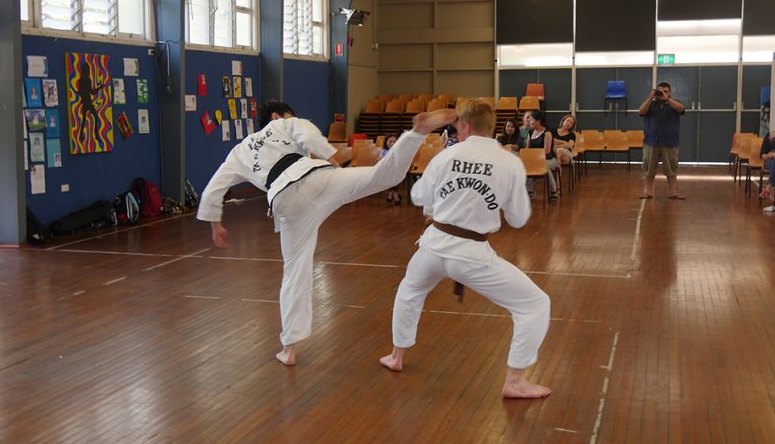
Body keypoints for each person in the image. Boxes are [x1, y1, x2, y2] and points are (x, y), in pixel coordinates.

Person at [197, 100, 457, 366]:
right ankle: (416, 134)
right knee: (383, 177)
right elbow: (307, 132)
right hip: (317, 178)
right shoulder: (283, 123)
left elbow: (213, 189)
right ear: (276, 116)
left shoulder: (237, 152)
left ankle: (289, 349)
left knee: (295, 270)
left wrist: (215, 224)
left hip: (286, 201)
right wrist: (329, 155)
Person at [379, 98, 551, 399]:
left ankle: (397, 356)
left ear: (467, 126)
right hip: (472, 255)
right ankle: (516, 380)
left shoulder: (445, 156)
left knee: (410, 292)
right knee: (535, 304)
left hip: (432, 248)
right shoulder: (509, 161)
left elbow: (419, 196)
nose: (456, 131)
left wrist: (444, 203)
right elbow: (519, 219)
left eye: (457, 126)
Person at [638, 82, 686, 199]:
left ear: (670, 92)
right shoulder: (651, 104)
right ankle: (648, 192)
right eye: (660, 91)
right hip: (651, 142)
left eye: (666, 91)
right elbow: (641, 111)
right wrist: (650, 97)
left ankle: (673, 192)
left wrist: (667, 99)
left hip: (669, 142)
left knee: (671, 169)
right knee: (649, 169)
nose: (663, 93)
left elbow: (681, 109)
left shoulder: (674, 103)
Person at [525, 111, 559, 200]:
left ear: (538, 121)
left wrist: (534, 157)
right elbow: (527, 149)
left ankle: (554, 189)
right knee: (525, 166)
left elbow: (546, 151)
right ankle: (530, 190)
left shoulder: (547, 133)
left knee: (545, 166)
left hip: (549, 159)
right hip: (535, 159)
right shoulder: (530, 132)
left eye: (531, 119)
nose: (529, 122)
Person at [379, 133, 402, 205]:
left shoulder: (399, 151)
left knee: (396, 176)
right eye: (390, 141)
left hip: (396, 170)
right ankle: (395, 196)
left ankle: (390, 194)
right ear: (386, 142)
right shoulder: (384, 151)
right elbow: (381, 161)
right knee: (391, 177)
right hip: (386, 171)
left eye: (394, 141)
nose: (392, 143)